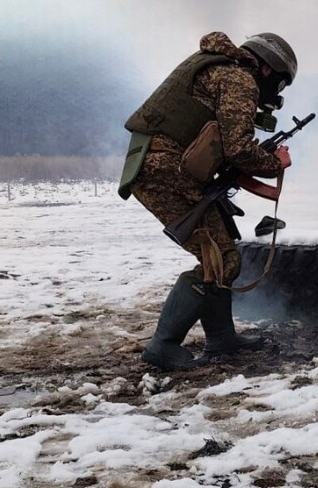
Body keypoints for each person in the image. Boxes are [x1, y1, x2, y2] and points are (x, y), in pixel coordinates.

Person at [117, 31, 297, 370]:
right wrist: (276, 163)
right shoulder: (239, 78)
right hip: (165, 170)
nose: (277, 93)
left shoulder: (219, 67)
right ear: (270, 70)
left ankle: (222, 338)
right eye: (281, 84)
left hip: (160, 166)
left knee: (222, 250)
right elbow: (240, 149)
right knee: (221, 258)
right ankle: (163, 346)